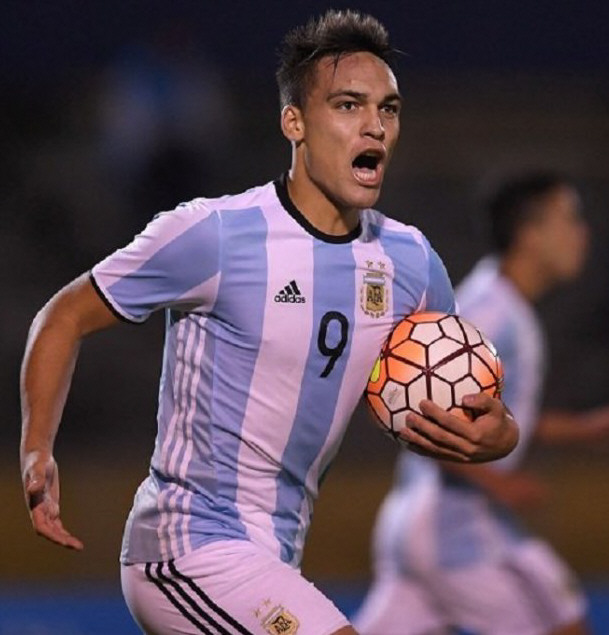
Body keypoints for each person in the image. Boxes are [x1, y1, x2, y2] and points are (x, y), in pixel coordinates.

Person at [19, 10, 518, 635]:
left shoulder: (411, 263)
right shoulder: (213, 235)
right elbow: (64, 315)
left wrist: (499, 436)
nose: (375, 125)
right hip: (185, 547)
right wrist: (37, 447)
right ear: (294, 123)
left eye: (388, 109)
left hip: (274, 556)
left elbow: (461, 391)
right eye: (348, 105)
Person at [353, 172, 609, 635]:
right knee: (563, 621)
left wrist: (584, 429)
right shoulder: (491, 310)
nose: (582, 232)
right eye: (569, 218)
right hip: (452, 526)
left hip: (428, 522)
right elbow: (413, 405)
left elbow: (490, 417)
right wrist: (498, 483)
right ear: (530, 235)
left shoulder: (504, 305)